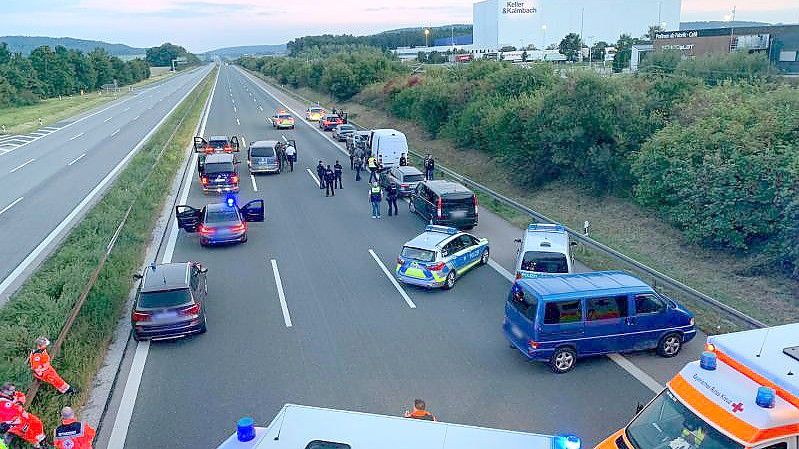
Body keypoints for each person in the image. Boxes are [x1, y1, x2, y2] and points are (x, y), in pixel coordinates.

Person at [0, 383, 48, 449]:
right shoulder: (2, 403)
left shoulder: (12, 394)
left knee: (37, 423)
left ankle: (42, 440)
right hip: (16, 423)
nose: (14, 392)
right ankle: (38, 446)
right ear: (5, 391)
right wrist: (17, 407)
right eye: (12, 390)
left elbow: (21, 395)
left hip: (24, 416)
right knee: (29, 434)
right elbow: (7, 417)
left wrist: (20, 402)